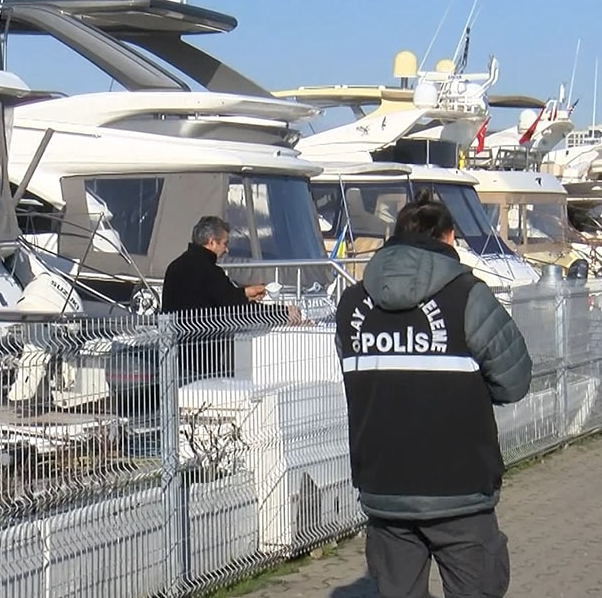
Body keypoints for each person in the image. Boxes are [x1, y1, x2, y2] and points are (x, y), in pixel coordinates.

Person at [333, 188, 532, 598]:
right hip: (459, 486)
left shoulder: (351, 304)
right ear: (447, 237)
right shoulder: (468, 296)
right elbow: (514, 381)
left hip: (384, 484)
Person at [161, 216, 300, 379]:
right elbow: (234, 307)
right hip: (202, 354)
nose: (226, 250)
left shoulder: (174, 267)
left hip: (175, 350)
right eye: (225, 243)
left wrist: (245, 294)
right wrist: (282, 312)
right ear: (212, 242)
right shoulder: (210, 271)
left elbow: (218, 297)